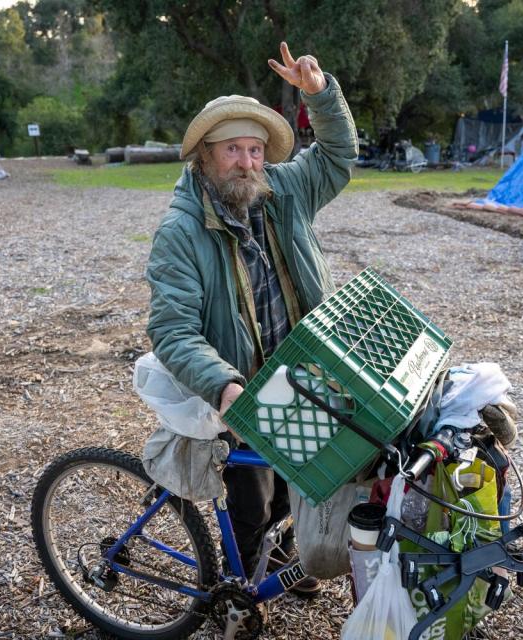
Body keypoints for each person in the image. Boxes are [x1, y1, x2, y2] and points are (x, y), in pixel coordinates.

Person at [144, 42, 357, 596]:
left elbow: (337, 157)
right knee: (252, 499)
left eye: (256, 151)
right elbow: (172, 329)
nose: (247, 163)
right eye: (233, 150)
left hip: (299, 368)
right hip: (237, 384)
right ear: (206, 157)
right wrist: (224, 385)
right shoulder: (181, 232)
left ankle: (288, 553)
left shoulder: (284, 192)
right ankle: (238, 594)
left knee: (310, 472)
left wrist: (321, 96)